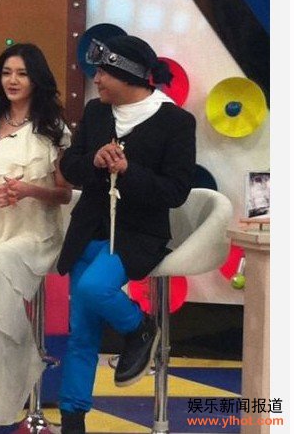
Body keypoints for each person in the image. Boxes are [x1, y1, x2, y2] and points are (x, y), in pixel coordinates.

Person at [56, 25, 196, 433]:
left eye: (103, 72)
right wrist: (95, 161)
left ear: (128, 75)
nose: (96, 79)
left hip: (138, 234)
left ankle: (141, 327)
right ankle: (73, 419)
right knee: (81, 333)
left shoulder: (176, 122)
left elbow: (176, 192)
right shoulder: (97, 112)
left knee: (93, 288)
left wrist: (129, 171)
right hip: (89, 230)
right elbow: (70, 167)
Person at [0, 43, 72, 434]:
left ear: (36, 79)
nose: (13, 80)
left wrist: (29, 191)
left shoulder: (55, 129)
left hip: (35, 233)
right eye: (6, 73)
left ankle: (21, 364)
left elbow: (64, 194)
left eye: (21, 73)